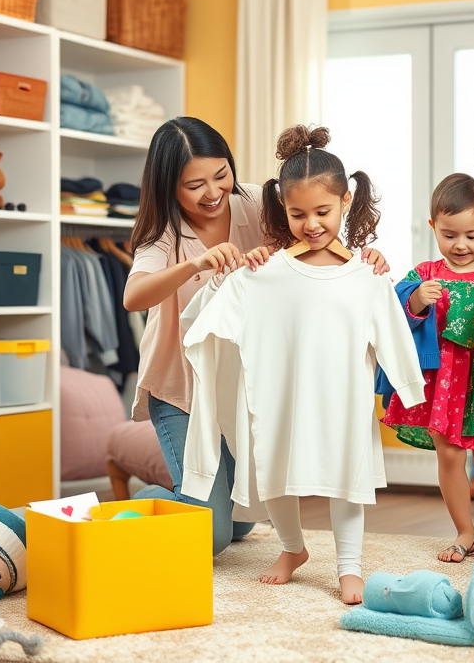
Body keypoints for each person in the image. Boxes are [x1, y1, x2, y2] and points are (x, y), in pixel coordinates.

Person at [123, 117, 388, 556]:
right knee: (212, 536)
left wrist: (363, 259)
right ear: (169, 187)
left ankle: (201, 502)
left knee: (245, 518)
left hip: (240, 384)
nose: (212, 193)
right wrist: (196, 265)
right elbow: (134, 296)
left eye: (220, 175)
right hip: (181, 389)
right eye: (194, 185)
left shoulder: (254, 202)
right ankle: (142, 505)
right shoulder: (164, 232)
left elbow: (311, 241)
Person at [181, 125, 424, 605]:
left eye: (322, 211)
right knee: (275, 470)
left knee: (346, 481)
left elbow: (395, 334)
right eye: (297, 214)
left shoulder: (366, 276)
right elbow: (206, 317)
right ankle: (293, 549)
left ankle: (349, 567)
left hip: (343, 401)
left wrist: (410, 392)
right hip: (280, 397)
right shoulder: (262, 274)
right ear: (281, 208)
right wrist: (225, 278)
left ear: (346, 201)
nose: (311, 224)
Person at [382, 173, 474, 563]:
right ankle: (465, 532)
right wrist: (416, 304)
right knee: (448, 456)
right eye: (449, 235)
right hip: (442, 380)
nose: (460, 245)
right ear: (433, 228)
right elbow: (392, 317)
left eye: (471, 235)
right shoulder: (425, 275)